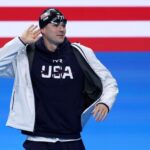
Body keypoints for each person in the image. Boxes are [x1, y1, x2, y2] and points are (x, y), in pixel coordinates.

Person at [0, 8, 118, 150]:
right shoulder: (27, 56)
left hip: (72, 140)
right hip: (37, 141)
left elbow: (109, 82)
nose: (61, 29)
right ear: (42, 29)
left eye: (63, 25)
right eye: (55, 25)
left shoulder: (80, 53)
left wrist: (105, 103)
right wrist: (19, 42)